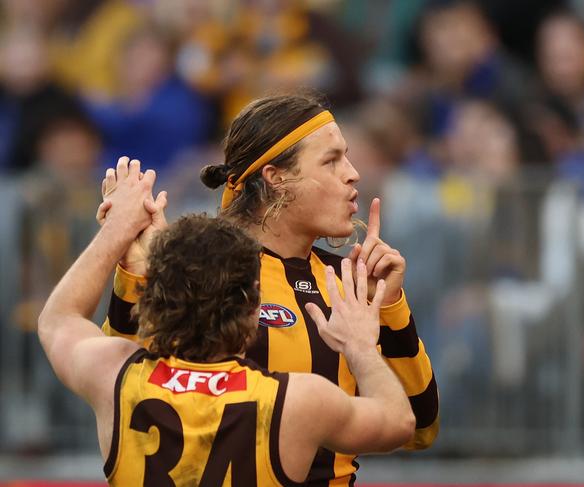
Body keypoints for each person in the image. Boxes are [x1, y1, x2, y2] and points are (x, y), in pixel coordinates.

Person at [99, 92, 439, 484]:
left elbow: (419, 429)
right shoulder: (203, 269)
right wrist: (136, 273)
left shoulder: (349, 280)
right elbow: (123, 389)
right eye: (331, 160)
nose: (352, 173)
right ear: (276, 177)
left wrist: (390, 305)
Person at [38, 161, 416, 485]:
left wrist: (117, 230)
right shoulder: (297, 401)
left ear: (154, 299)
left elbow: (58, 319)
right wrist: (361, 348)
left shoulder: (115, 377)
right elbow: (399, 422)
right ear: (254, 307)